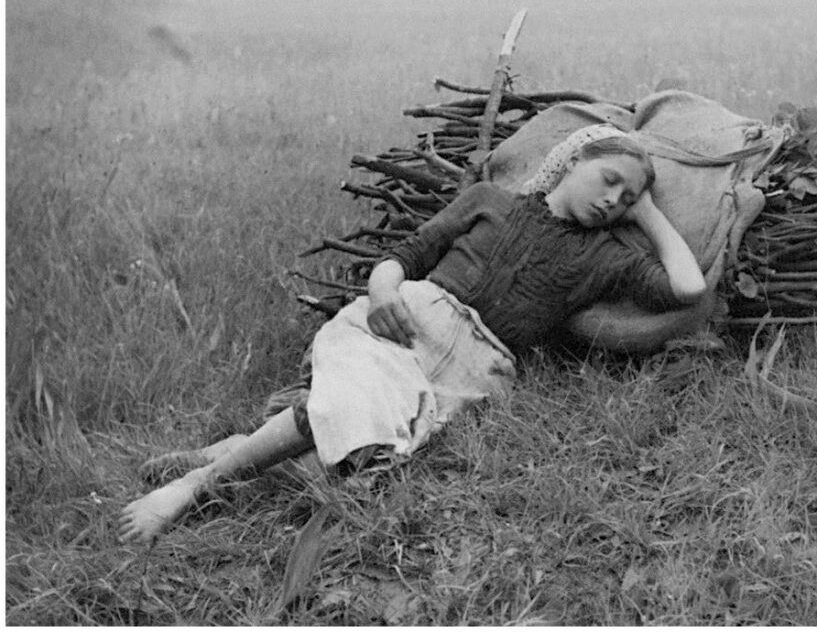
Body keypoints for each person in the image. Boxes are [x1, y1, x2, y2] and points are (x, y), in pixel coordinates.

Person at [118, 124, 708, 543]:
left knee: (364, 450)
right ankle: (195, 486)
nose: (612, 200)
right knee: (353, 401)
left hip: (475, 369)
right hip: (409, 320)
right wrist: (380, 292)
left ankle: (229, 451)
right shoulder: (489, 202)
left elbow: (687, 290)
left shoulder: (605, 258)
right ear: (570, 160)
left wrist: (647, 212)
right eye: (608, 179)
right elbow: (406, 255)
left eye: (625, 198)